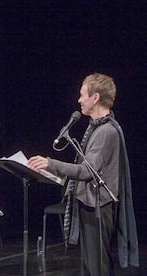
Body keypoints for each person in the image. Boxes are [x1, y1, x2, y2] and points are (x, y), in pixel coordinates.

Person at [28, 73, 139, 275]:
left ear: (95, 98)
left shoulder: (106, 131)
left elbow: (88, 171)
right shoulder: (96, 127)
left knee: (98, 266)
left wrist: (49, 163)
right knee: (90, 265)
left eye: (82, 95)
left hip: (99, 205)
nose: (79, 100)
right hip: (90, 203)